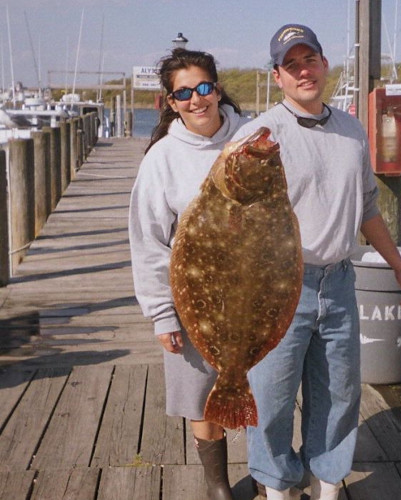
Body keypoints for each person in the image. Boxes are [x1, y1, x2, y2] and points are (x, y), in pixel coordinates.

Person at [232, 24, 401, 500]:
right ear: (277, 76)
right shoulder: (257, 133)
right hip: (278, 286)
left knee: (339, 395)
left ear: (324, 64)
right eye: (291, 64)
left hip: (339, 282)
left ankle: (328, 485)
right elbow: (231, 216)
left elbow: (367, 210)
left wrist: (400, 269)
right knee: (271, 397)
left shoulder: (352, 130)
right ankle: (277, 488)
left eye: (309, 60)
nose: (303, 71)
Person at [128, 48, 249, 500]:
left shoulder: (252, 138)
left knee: (257, 385)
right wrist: (162, 312)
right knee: (200, 390)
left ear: (217, 89)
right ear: (171, 102)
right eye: (184, 93)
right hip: (192, 296)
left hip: (252, 292)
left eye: (203, 88)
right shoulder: (161, 158)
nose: (196, 99)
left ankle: (264, 470)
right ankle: (217, 483)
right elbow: (147, 240)